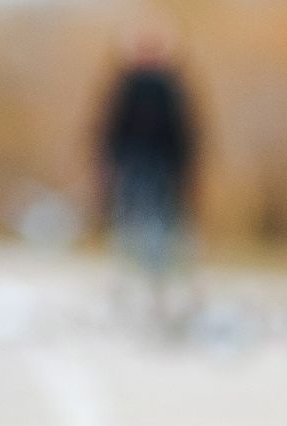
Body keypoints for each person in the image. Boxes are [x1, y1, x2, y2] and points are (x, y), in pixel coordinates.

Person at [96, 29, 198, 320]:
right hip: (137, 165)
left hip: (161, 167)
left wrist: (184, 169)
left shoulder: (167, 87)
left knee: (158, 227)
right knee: (130, 223)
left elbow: (184, 133)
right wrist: (111, 163)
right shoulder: (131, 85)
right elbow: (111, 128)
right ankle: (125, 286)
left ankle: (157, 288)